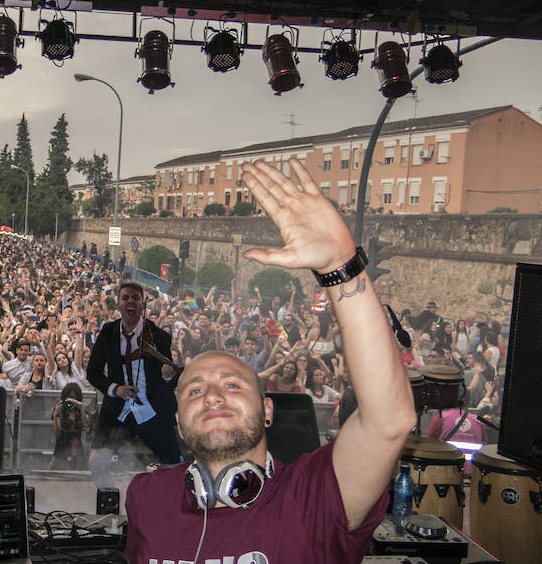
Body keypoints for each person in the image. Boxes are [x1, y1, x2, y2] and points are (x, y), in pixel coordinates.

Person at [125, 157, 415, 564]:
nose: (211, 395)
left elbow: (389, 420)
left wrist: (339, 267)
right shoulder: (146, 497)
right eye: (194, 390)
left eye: (231, 384)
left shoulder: (314, 496)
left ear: (267, 410)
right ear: (179, 423)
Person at [87, 281, 183, 473]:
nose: (130, 302)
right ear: (118, 304)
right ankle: (112, 499)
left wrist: (166, 376)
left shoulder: (159, 336)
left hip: (153, 410)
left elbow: (171, 380)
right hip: (118, 410)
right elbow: (93, 372)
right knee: (97, 463)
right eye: (125, 298)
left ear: (143, 304)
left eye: (135, 298)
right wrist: (116, 389)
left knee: (176, 467)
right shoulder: (108, 332)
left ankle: (169, 501)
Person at [51, 382, 89, 470]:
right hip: (61, 452)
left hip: (78, 453)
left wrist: (81, 407)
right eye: (68, 398)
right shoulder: (60, 411)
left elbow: (86, 426)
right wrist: (56, 414)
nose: (70, 402)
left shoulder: (81, 412)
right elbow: (57, 434)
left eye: (73, 398)